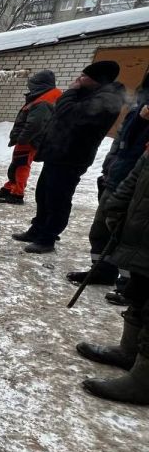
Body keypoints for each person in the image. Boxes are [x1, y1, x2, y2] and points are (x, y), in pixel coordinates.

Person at [12, 60, 125, 253]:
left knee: (58, 198)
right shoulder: (89, 94)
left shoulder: (106, 99)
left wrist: (71, 91)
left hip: (72, 157)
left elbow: (67, 113)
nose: (78, 79)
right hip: (57, 152)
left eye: (84, 77)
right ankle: (37, 229)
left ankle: (48, 238)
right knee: (44, 194)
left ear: (97, 80)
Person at [67, 72, 149, 302]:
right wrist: (109, 167)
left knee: (127, 238)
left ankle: (128, 285)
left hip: (139, 185)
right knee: (101, 229)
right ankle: (102, 270)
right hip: (117, 177)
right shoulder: (139, 108)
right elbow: (122, 142)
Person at [79, 151, 149, 405]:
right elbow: (139, 170)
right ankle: (129, 351)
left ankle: (143, 381)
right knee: (139, 292)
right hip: (141, 226)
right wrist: (117, 205)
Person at [0, 70, 61, 205]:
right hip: (28, 139)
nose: (30, 87)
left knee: (21, 166)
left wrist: (23, 138)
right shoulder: (42, 97)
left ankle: (17, 194)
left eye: (33, 84)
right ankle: (9, 187)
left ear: (41, 85)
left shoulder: (43, 101)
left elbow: (35, 124)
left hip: (29, 140)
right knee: (16, 165)